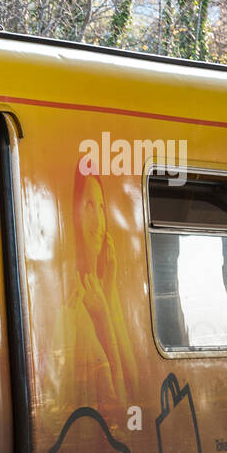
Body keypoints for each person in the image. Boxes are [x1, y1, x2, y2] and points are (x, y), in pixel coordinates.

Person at [68, 164, 138, 413]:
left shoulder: (101, 289)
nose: (98, 221)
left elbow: (136, 386)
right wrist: (105, 320)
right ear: (72, 213)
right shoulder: (77, 301)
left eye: (101, 207)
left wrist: (110, 297)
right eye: (88, 205)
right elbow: (120, 406)